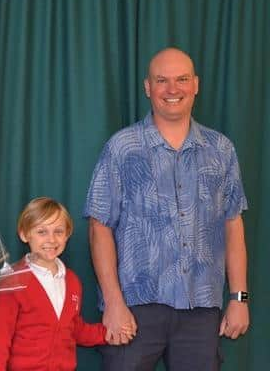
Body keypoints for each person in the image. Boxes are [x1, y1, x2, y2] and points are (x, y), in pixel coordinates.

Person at [83, 47, 249, 370]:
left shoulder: (221, 150)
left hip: (201, 308)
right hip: (134, 309)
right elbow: (98, 227)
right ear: (148, 87)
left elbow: (233, 224)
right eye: (162, 80)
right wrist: (114, 302)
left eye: (182, 79)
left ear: (196, 84)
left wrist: (239, 298)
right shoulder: (122, 148)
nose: (173, 89)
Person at [0, 197, 121, 371]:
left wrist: (108, 334)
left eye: (58, 231)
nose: (51, 239)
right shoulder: (13, 281)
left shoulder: (72, 281)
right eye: (42, 232)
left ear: (67, 235)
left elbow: (74, 328)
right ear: (24, 234)